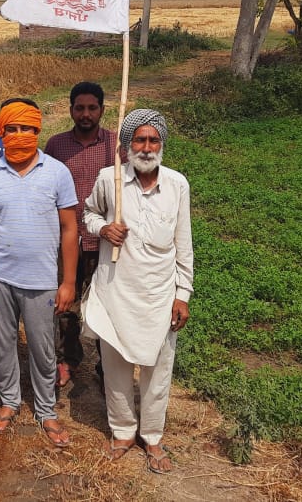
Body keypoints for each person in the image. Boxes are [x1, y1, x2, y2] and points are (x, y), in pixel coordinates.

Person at [82, 109, 193, 474]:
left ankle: (153, 436)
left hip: (159, 296)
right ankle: (123, 432)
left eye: (153, 140)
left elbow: (183, 245)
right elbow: (89, 214)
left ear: (162, 144)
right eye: (139, 140)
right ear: (127, 145)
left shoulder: (177, 185)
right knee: (115, 368)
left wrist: (183, 294)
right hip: (115, 291)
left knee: (158, 370)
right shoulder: (108, 179)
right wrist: (103, 230)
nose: (146, 148)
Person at [0, 98, 78, 448]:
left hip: (42, 280)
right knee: (2, 346)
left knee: (43, 347)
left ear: (38, 131)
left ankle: (47, 410)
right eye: (12, 129)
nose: (20, 135)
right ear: (1, 131)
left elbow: (69, 229)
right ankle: (9, 402)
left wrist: (67, 282)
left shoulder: (57, 172)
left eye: (27, 129)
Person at [43, 82, 117, 386]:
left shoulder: (115, 145)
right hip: (68, 240)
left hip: (105, 240)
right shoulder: (56, 146)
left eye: (92, 108)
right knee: (67, 303)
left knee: (106, 303)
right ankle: (67, 359)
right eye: (79, 108)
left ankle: (107, 366)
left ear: (102, 109)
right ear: (71, 109)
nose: (86, 114)